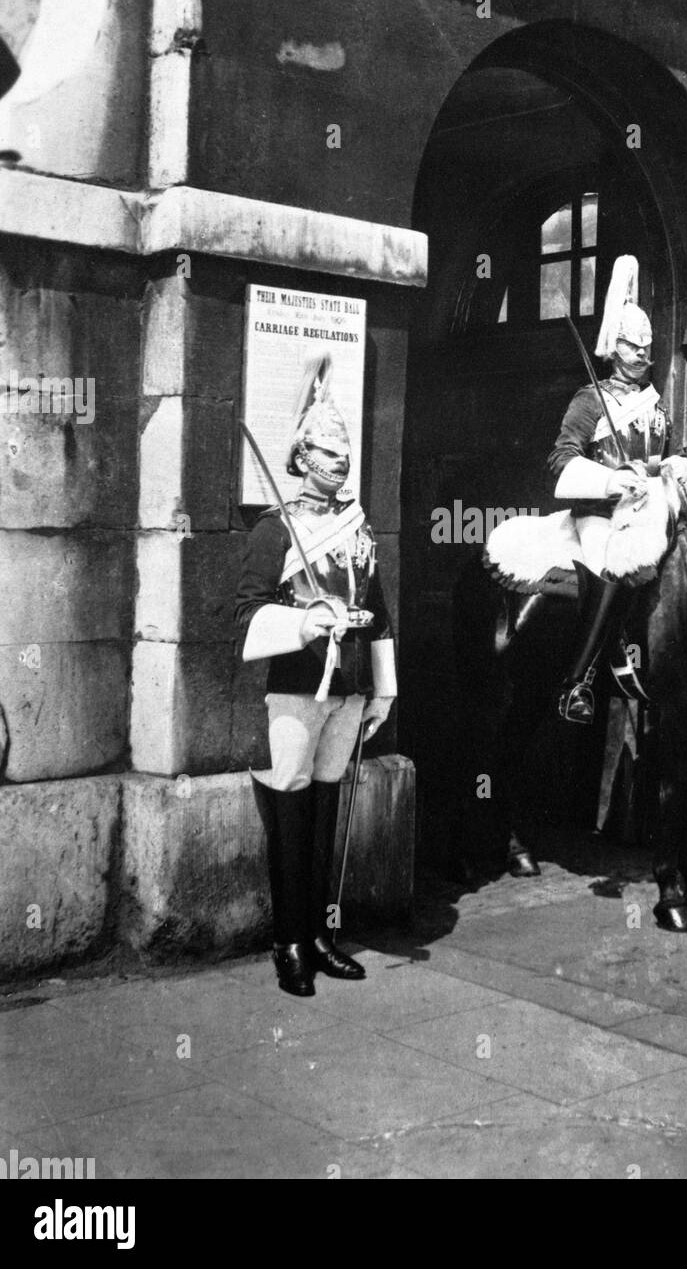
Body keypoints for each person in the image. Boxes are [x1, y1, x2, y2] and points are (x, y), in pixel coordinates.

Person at [235, 351, 396, 997]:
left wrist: (383, 686)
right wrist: (303, 623)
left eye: (345, 453)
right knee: (293, 809)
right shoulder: (276, 531)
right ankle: (289, 941)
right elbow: (245, 612)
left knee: (330, 810)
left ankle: (323, 933)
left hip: (349, 684)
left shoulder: (358, 529)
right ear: (302, 459)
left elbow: (379, 613)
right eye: (329, 454)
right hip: (297, 684)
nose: (342, 463)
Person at [548, 255, 680, 725]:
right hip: (599, 511)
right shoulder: (589, 400)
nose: (643, 355)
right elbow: (561, 459)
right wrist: (609, 480)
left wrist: (674, 464)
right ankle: (576, 683)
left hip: (647, 509)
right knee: (611, 564)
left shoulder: (657, 406)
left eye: (647, 348)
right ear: (613, 347)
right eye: (633, 347)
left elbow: (661, 455)